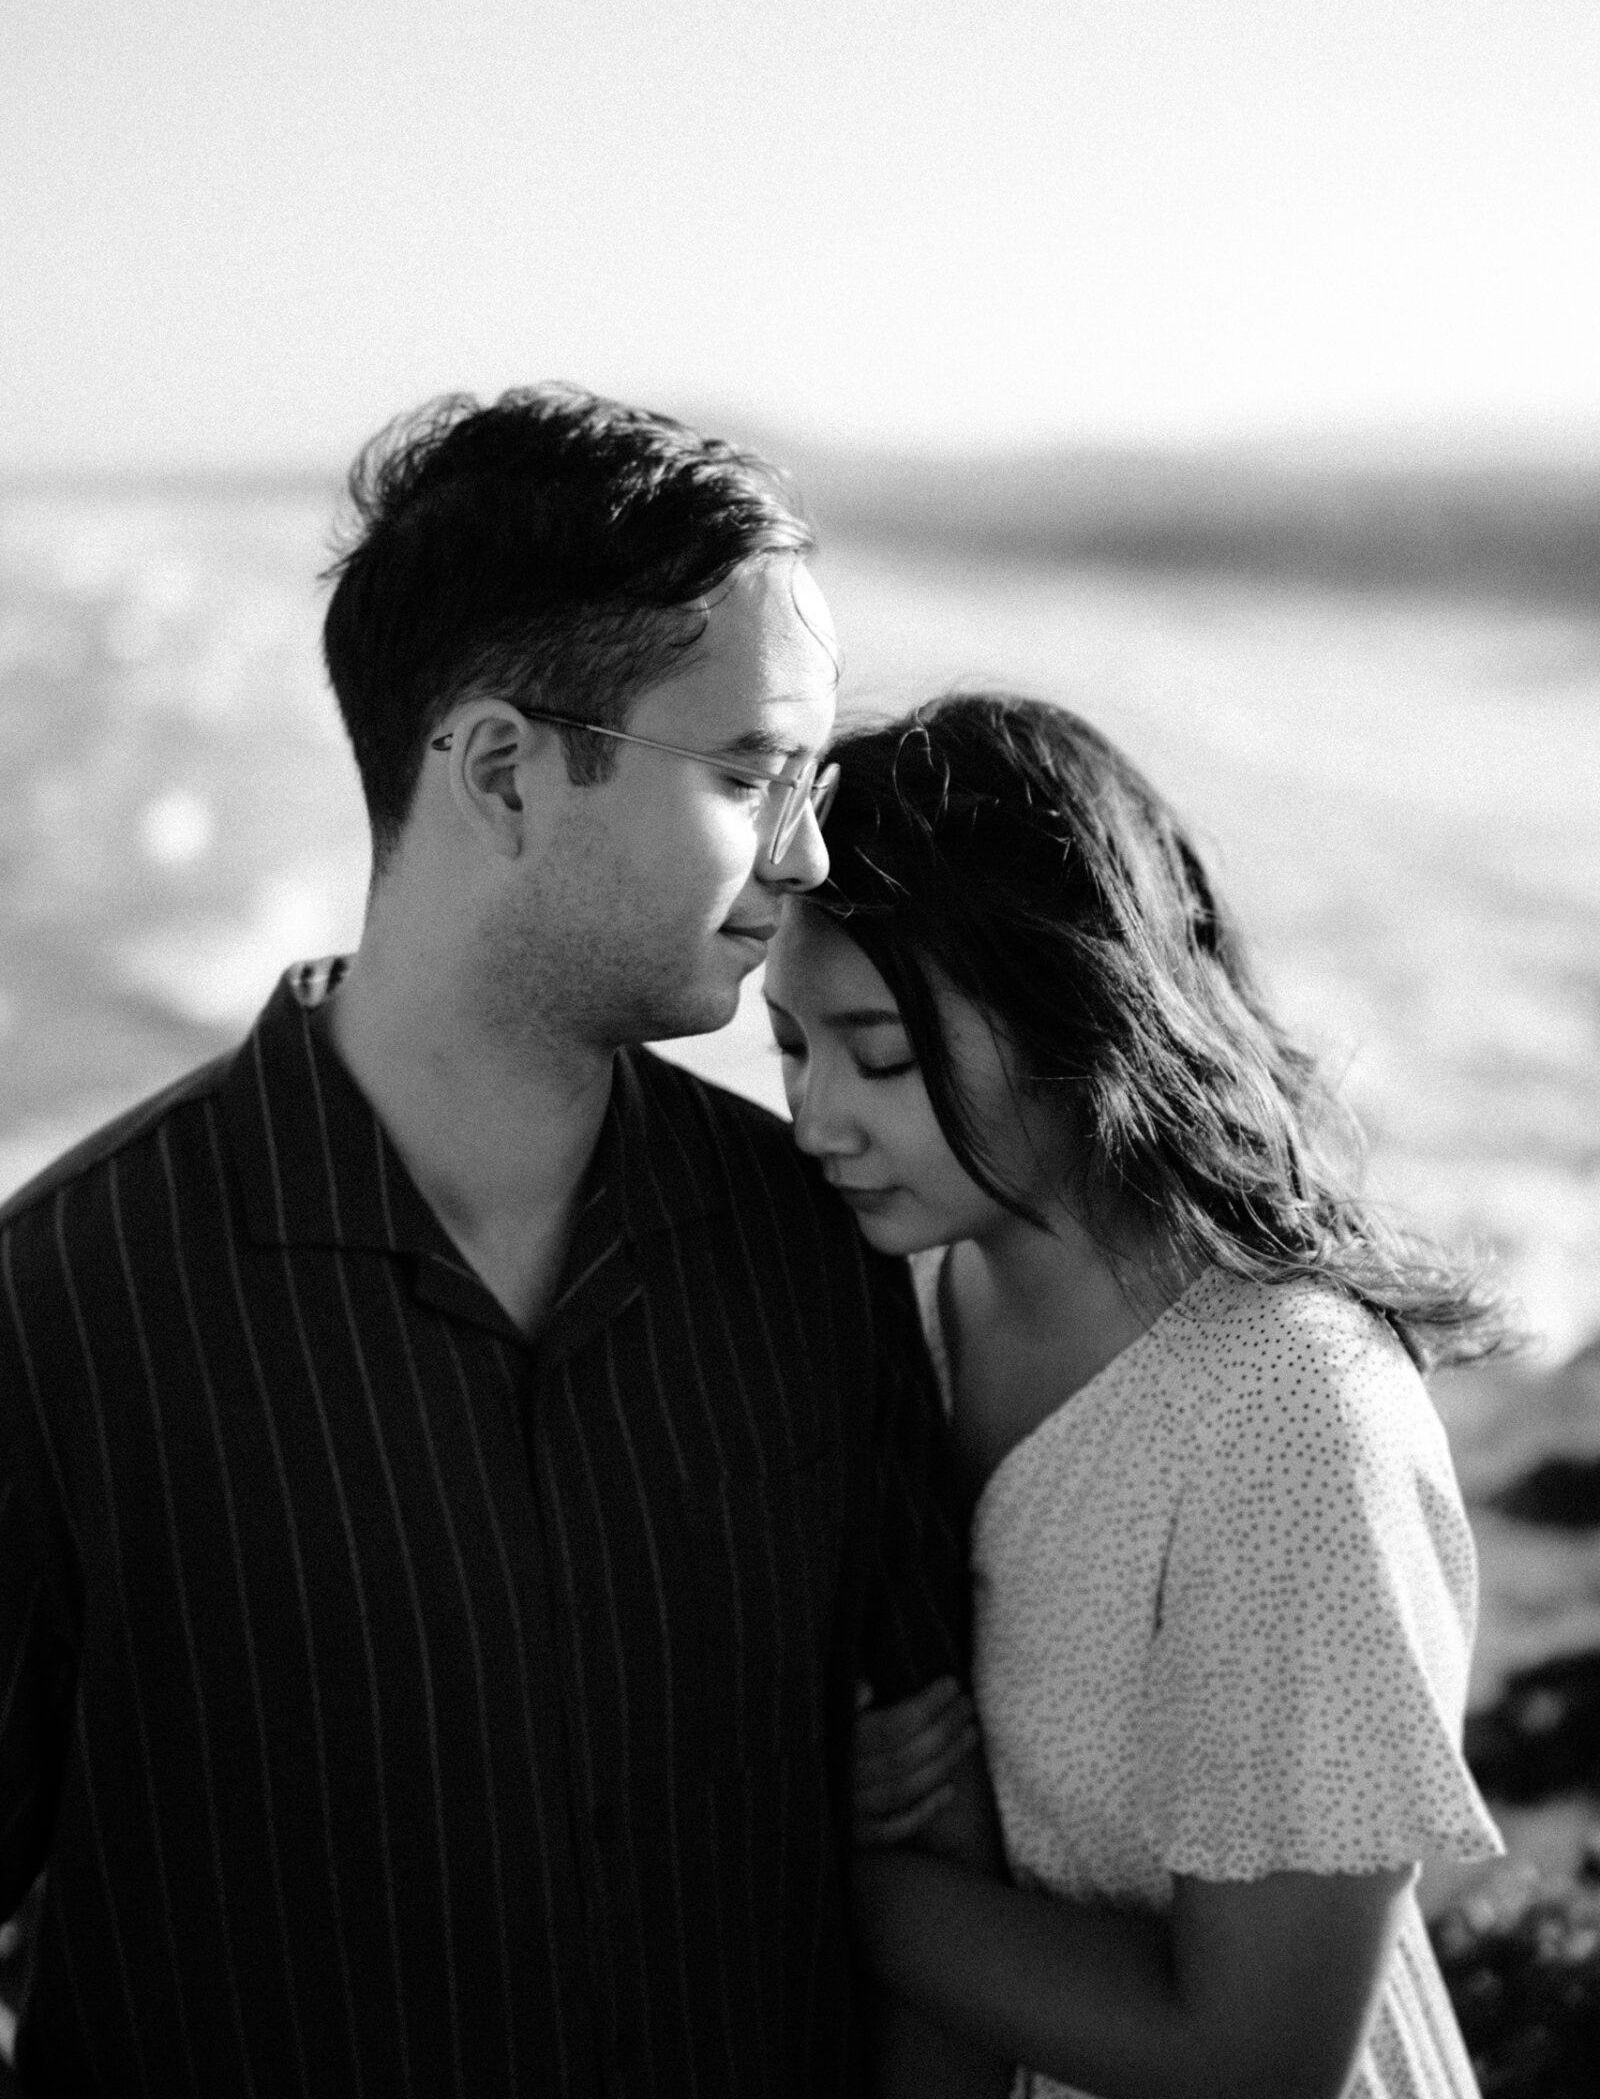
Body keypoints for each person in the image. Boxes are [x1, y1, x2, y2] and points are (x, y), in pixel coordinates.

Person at [0, 390, 1003, 2099]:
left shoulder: (817, 1247)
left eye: (811, 779)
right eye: (754, 772)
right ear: (500, 771)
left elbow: (931, 1826)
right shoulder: (66, 1311)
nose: (808, 855)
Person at [763, 692, 1510, 2099]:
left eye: (883, 1055)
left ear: (1077, 1010)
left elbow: (1258, 2056)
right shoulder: (908, 1298)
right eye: (790, 1049)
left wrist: (810, 1862)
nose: (816, 1120)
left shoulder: (1292, 1411)